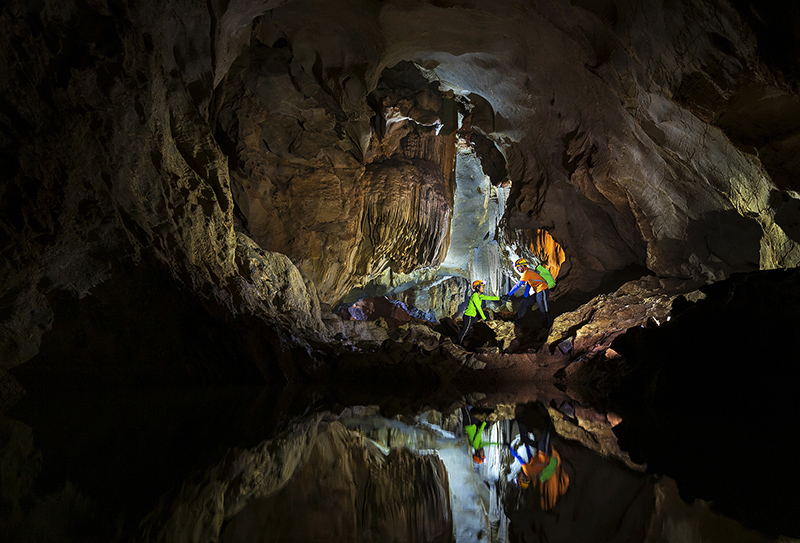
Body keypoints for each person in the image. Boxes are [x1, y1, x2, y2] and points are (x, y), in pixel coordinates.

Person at [508, 417, 570, 510]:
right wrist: (510, 449)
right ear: (524, 479)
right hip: (544, 454)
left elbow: (529, 458)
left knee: (540, 436)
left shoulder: (531, 473)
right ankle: (550, 417)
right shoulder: (528, 472)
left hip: (543, 454)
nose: (518, 476)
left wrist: (525, 446)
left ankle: (546, 420)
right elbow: (519, 458)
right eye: (519, 478)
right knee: (545, 433)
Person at [506, 257, 554, 327]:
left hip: (543, 290)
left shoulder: (527, 272)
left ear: (522, 266)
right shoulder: (529, 271)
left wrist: (509, 294)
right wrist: (525, 296)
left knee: (543, 308)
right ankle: (519, 322)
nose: (517, 269)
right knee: (523, 302)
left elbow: (518, 285)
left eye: (518, 267)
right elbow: (528, 285)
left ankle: (546, 325)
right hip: (538, 292)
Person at [458, 280, 500, 345]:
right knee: (465, 332)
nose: (483, 288)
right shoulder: (475, 296)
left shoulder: (479, 296)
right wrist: (484, 318)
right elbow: (479, 308)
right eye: (482, 287)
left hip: (474, 316)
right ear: (477, 288)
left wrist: (499, 298)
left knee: (486, 312)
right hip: (469, 316)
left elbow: (488, 297)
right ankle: (458, 344)